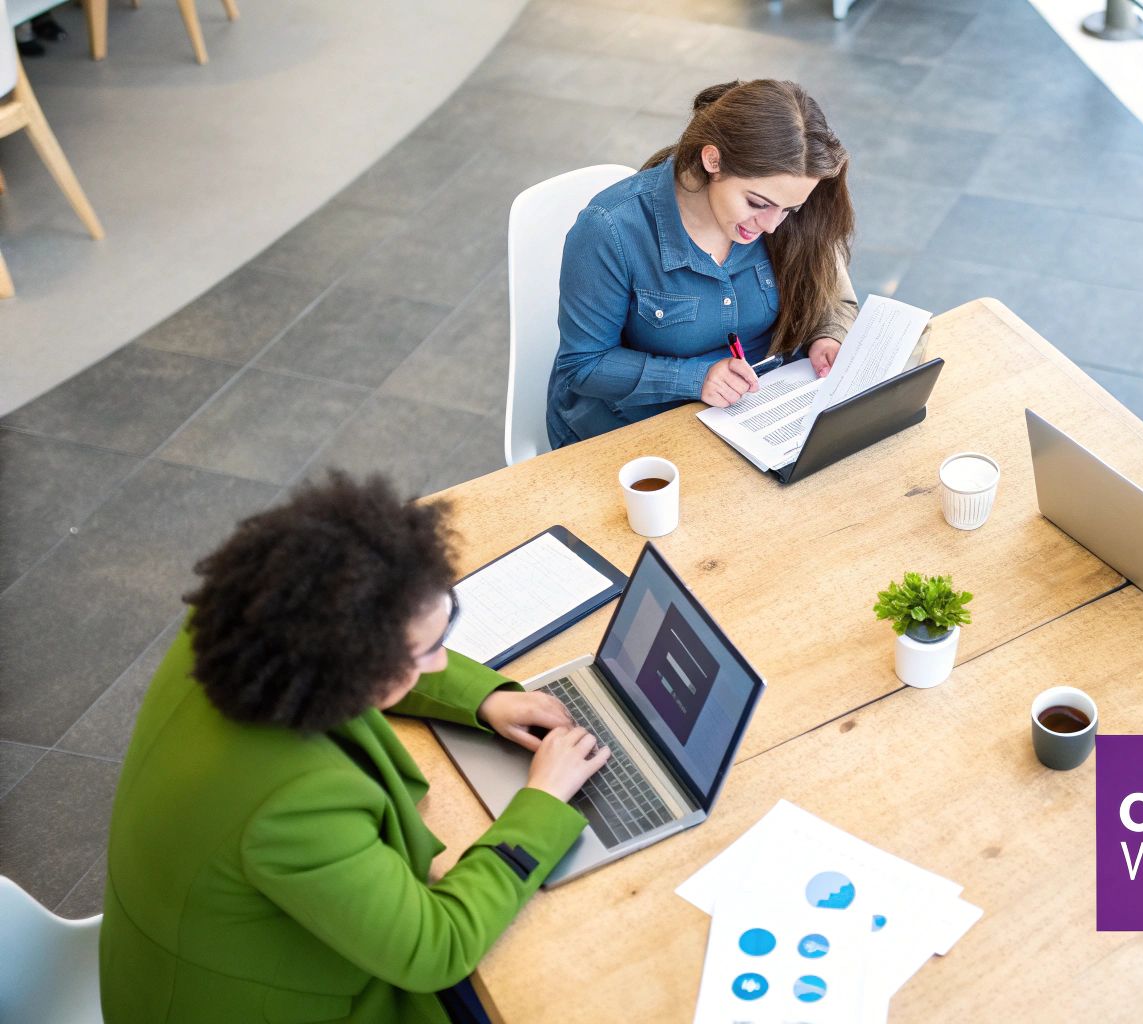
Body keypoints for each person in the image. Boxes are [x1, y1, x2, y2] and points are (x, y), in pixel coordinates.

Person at [99, 473, 610, 1024]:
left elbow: (364, 645)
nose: (440, 662)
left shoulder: (242, 625)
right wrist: (541, 801)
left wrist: (483, 698)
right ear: (355, 667)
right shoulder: (296, 809)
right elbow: (436, 948)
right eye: (430, 649)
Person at [547, 78, 858, 448]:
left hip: (759, 409)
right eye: (757, 204)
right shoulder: (610, 230)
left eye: (789, 209)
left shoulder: (793, 216)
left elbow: (832, 298)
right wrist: (695, 379)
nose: (772, 225)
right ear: (713, 160)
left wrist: (829, 335)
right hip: (637, 426)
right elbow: (583, 365)